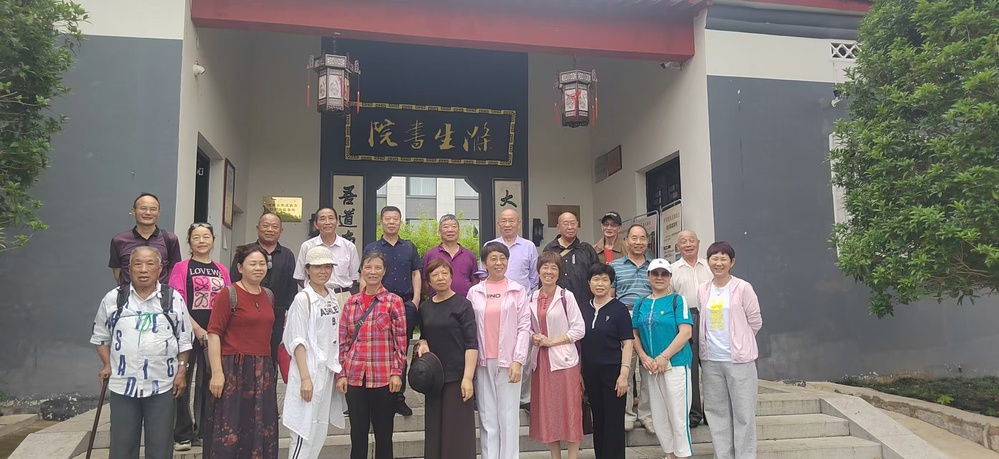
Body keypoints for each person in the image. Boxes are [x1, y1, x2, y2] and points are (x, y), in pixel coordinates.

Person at [91, 246, 193, 459]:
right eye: (137, 264)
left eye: (150, 264)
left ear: (160, 268)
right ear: (129, 268)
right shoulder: (114, 299)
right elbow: (101, 336)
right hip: (123, 384)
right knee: (122, 446)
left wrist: (181, 372)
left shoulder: (172, 298)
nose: (143, 269)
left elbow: (184, 339)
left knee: (160, 445)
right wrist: (107, 365)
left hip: (163, 384)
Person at [204, 244, 278, 459]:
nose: (258, 268)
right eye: (252, 263)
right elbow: (213, 333)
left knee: (261, 425)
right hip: (234, 370)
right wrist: (217, 373)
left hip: (262, 370)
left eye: (262, 263)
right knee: (231, 425)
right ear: (240, 267)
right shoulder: (229, 294)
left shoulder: (269, 295)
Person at [336, 251, 407, 459]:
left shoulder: (393, 301)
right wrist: (341, 374)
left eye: (377, 267)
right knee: (357, 434)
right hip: (355, 376)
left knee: (384, 434)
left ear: (384, 271)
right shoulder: (351, 303)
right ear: (361, 270)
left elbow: (401, 341)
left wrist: (397, 373)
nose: (373, 272)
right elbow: (343, 341)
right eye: (368, 267)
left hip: (383, 376)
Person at [167, 222, 231, 451]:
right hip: (187, 333)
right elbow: (176, 301)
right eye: (196, 237)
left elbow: (228, 300)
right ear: (189, 241)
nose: (202, 241)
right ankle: (182, 434)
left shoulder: (221, 269)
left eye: (206, 236)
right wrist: (196, 328)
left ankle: (204, 431)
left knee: (209, 381)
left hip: (215, 334)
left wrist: (215, 331)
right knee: (181, 379)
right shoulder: (182, 268)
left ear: (213, 240)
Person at [467, 242, 531, 459]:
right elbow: (470, 328)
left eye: (502, 258)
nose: (498, 263)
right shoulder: (475, 292)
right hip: (483, 360)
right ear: (484, 263)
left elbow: (524, 327)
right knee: (487, 418)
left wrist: (518, 360)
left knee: (509, 416)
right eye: (493, 258)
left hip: (509, 361)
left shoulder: (517, 290)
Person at [698, 242, 763, 459]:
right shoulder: (703, 289)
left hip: (739, 361)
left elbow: (755, 321)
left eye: (723, 258)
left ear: (732, 262)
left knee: (743, 413)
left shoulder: (743, 288)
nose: (718, 263)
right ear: (708, 262)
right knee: (717, 413)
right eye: (714, 258)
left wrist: (741, 342)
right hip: (711, 360)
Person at [283, 246, 346, 459]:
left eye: (328, 266)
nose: (323, 271)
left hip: (327, 373)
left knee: (320, 429)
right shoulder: (303, 299)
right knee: (304, 432)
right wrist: (305, 378)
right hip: (309, 371)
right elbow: (297, 340)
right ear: (307, 269)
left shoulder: (332, 297)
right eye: (318, 267)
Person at [414, 258, 478, 459]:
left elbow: (471, 343)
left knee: (457, 432)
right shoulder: (425, 308)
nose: (440, 278)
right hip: (434, 378)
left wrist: (468, 378)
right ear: (428, 281)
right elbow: (424, 336)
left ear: (451, 277)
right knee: (435, 431)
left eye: (444, 273)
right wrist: (422, 343)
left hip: (457, 377)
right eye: (435, 275)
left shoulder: (463, 305)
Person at [363, 206, 421, 416]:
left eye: (395, 219)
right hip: (378, 305)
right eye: (387, 218)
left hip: (404, 305)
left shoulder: (409, 247)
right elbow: (365, 274)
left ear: (400, 222)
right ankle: (376, 395)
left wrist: (415, 301)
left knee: (400, 351)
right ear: (381, 222)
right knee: (377, 350)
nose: (391, 222)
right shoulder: (372, 247)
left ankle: (398, 397)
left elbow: (416, 274)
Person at [632, 259, 694, 458]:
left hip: (675, 364)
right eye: (655, 273)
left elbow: (685, 332)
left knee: (678, 413)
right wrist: (643, 356)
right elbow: (634, 333)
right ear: (648, 276)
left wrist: (664, 356)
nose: (659, 277)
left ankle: (682, 454)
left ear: (670, 276)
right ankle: (669, 453)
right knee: (659, 414)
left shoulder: (677, 300)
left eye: (664, 274)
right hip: (651, 366)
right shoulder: (641, 303)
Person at [528, 251, 585, 459]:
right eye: (545, 267)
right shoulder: (532, 297)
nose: (549, 272)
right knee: (548, 411)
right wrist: (533, 336)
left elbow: (579, 329)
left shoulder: (566, 297)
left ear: (559, 272)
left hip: (564, 362)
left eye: (554, 268)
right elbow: (526, 326)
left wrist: (552, 341)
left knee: (570, 410)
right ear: (538, 271)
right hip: (541, 362)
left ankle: (572, 456)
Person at [486, 208, 538, 411]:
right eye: (504, 221)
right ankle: (497, 392)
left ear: (519, 223)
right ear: (498, 224)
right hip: (496, 305)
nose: (507, 224)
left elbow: (534, 277)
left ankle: (524, 397)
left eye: (512, 221)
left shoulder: (529, 246)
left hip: (521, 303)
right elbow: (484, 274)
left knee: (523, 347)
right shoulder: (490, 246)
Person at [580, 263, 633, 459]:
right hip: (590, 373)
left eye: (604, 279)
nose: (600, 284)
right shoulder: (583, 308)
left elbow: (628, 343)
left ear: (611, 283)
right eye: (596, 279)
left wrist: (624, 374)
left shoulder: (619, 309)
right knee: (599, 419)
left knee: (613, 421)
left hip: (613, 373)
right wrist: (580, 373)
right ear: (589, 283)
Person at [231, 213, 297, 368]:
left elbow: (291, 287)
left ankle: (269, 383)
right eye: (265, 225)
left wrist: (290, 315)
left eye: (274, 227)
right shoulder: (246, 253)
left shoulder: (287, 255)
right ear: (257, 228)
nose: (270, 230)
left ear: (281, 231)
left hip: (277, 315)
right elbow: (234, 280)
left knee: (272, 355)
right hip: (247, 314)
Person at [609, 224, 653, 432]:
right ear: (626, 241)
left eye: (642, 238)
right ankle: (626, 413)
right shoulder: (615, 266)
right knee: (625, 367)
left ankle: (647, 414)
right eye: (634, 238)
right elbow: (610, 295)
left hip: (648, 318)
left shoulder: (654, 266)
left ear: (647, 241)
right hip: (623, 316)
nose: (638, 242)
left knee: (648, 369)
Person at [671, 230, 712, 427]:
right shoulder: (672, 269)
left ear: (699, 242)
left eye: (691, 240)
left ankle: (712, 413)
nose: (688, 244)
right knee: (691, 368)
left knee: (712, 367)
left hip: (711, 317)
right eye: (683, 241)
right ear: (678, 246)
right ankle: (694, 414)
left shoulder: (710, 266)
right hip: (685, 318)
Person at [109, 193, 182, 285]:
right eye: (143, 208)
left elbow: (173, 271)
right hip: (128, 293)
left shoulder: (170, 239)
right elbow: (117, 272)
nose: (148, 213)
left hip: (160, 293)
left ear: (159, 213)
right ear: (134, 211)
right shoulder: (119, 240)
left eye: (153, 209)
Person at [294, 207, 359, 308]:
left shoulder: (349, 247)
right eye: (322, 219)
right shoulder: (307, 246)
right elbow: (300, 277)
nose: (327, 222)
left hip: (342, 297)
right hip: (315, 296)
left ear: (337, 222)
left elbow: (354, 278)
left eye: (331, 218)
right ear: (316, 224)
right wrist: (316, 291)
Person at [542, 211, 599, 305]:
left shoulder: (586, 249)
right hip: (556, 304)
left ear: (577, 225)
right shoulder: (550, 249)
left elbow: (596, 276)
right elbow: (543, 277)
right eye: (566, 224)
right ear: (558, 228)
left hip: (583, 303)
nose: (570, 227)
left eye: (573, 223)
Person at [422, 214, 478, 297]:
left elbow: (475, 280)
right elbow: (425, 281)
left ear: (459, 231)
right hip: (438, 302)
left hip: (464, 301)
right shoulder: (430, 254)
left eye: (454, 226)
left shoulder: (469, 255)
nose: (450, 230)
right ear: (439, 232)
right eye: (446, 227)